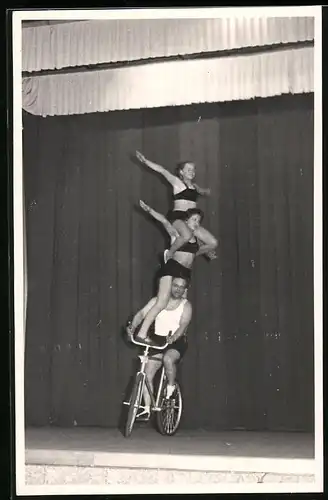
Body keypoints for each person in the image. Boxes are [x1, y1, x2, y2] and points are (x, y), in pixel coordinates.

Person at [136, 200, 205, 343]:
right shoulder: (177, 234)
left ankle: (175, 338)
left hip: (185, 274)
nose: (196, 223)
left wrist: (209, 252)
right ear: (186, 221)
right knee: (161, 302)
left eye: (198, 221)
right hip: (172, 268)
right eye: (194, 219)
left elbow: (202, 249)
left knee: (181, 305)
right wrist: (149, 210)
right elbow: (164, 221)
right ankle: (141, 334)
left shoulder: (196, 239)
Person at [126, 276, 192, 420]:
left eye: (181, 287)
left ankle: (170, 390)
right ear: (170, 286)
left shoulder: (186, 305)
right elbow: (142, 314)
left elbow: (183, 325)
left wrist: (174, 337)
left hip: (176, 340)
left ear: (185, 290)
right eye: (175, 285)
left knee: (168, 359)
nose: (178, 289)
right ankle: (147, 408)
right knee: (147, 373)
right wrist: (133, 326)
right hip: (158, 339)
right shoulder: (157, 301)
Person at [135, 150, 218, 263]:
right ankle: (169, 254)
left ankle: (192, 254)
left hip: (192, 220)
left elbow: (203, 192)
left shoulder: (195, 186)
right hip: (178, 217)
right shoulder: (177, 183)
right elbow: (162, 171)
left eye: (193, 169)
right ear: (181, 172)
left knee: (213, 243)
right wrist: (145, 161)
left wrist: (207, 191)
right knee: (186, 235)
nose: (192, 171)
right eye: (188, 169)